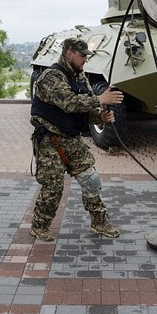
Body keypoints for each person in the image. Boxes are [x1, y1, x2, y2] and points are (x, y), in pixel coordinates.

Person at [30, 38, 124, 242]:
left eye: (86, 56)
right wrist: (100, 99)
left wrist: (101, 116)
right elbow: (69, 103)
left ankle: (98, 222)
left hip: (72, 140)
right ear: (69, 53)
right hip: (50, 140)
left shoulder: (80, 77)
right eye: (82, 56)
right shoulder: (51, 76)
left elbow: (87, 108)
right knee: (53, 187)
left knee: (91, 181)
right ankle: (39, 226)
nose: (85, 61)